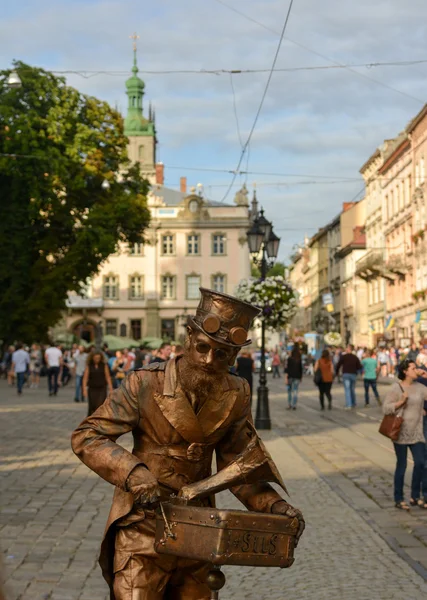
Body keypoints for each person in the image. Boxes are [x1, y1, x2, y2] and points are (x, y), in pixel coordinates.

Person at [71, 288, 305, 599]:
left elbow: (240, 467)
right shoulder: (144, 383)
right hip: (143, 526)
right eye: (203, 348)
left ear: (235, 355)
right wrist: (133, 472)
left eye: (222, 354)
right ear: (189, 337)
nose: (209, 360)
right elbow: (88, 435)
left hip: (200, 531)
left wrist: (275, 506)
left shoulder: (237, 393)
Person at [383, 360, 427, 510]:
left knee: (421, 463)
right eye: (414, 368)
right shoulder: (397, 388)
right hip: (400, 432)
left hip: (417, 431)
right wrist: (400, 402)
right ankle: (399, 498)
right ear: (406, 371)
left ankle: (415, 496)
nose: (417, 369)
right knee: (401, 466)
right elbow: (386, 408)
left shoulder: (421, 387)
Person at [82, 351, 113, 416]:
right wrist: (84, 389)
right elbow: (85, 378)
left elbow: (108, 377)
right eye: (95, 358)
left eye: (98, 358)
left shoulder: (104, 365)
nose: (97, 359)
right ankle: (92, 421)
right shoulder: (89, 366)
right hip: (92, 389)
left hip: (102, 388)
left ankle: (99, 420)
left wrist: (110, 388)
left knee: (100, 405)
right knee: (92, 406)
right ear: (92, 358)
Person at [335, 344, 362, 409]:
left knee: (347, 390)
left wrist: (336, 372)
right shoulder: (355, 357)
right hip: (353, 374)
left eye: (347, 348)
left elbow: (338, 365)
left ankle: (349, 405)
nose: (346, 349)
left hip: (346, 374)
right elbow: (359, 366)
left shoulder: (344, 357)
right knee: (352, 389)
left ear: (349, 349)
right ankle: (353, 403)